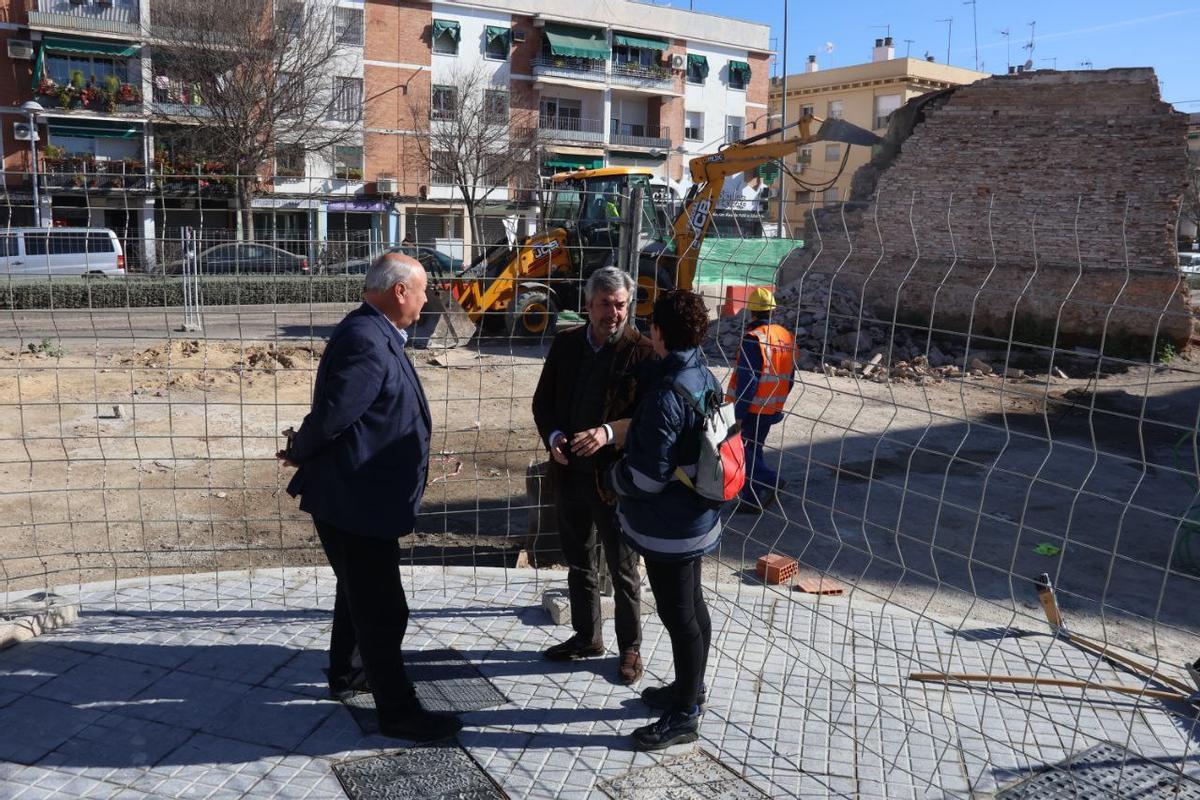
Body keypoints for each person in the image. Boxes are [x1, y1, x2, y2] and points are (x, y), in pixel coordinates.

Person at [278, 252, 461, 742]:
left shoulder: (374, 331)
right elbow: (336, 415)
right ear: (399, 291)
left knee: (356, 591)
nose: (426, 302)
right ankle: (398, 710)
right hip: (355, 500)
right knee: (383, 609)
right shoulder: (367, 339)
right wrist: (300, 449)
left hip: (357, 499)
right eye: (422, 291)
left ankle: (347, 673)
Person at [608, 290, 723, 751]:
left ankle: (685, 715)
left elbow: (646, 479)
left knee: (680, 618)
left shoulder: (664, 398)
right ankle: (688, 690)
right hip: (696, 515)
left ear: (657, 332)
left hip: (670, 527)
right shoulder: (700, 371)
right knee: (692, 607)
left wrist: (613, 475)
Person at [532, 266, 655, 684]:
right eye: (605, 305)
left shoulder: (642, 353)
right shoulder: (566, 344)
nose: (614, 313)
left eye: (621, 305)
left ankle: (630, 649)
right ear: (588, 306)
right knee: (578, 561)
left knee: (622, 569)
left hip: (615, 483)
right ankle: (586, 637)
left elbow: (649, 420)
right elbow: (542, 402)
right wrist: (553, 437)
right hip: (569, 475)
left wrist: (606, 434)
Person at [727, 287, 794, 512]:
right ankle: (751, 500)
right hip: (771, 407)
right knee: (754, 450)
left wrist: (738, 415)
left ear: (751, 311)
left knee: (742, 451)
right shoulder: (784, 336)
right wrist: (777, 402)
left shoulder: (753, 339)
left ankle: (771, 480)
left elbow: (748, 382)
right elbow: (790, 377)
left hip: (752, 409)